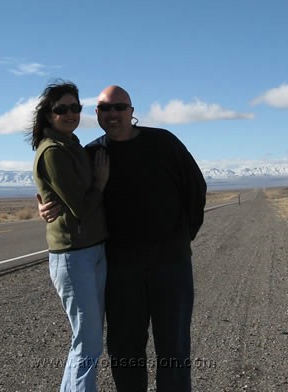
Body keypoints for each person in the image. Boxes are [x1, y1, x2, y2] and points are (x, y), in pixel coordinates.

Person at [40, 85, 207, 392]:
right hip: (120, 268)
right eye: (105, 108)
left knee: (175, 346)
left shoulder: (164, 142)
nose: (113, 113)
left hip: (171, 264)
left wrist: (182, 239)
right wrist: (45, 204)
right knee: (125, 349)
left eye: (120, 107)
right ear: (97, 114)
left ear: (132, 112)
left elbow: (195, 190)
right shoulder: (92, 154)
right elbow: (69, 192)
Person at [30, 80, 110, 392]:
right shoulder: (52, 151)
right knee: (88, 344)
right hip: (73, 255)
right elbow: (81, 207)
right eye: (61, 109)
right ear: (48, 115)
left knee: (87, 342)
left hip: (92, 249)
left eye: (74, 107)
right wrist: (100, 184)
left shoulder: (72, 145)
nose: (70, 113)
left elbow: (70, 198)